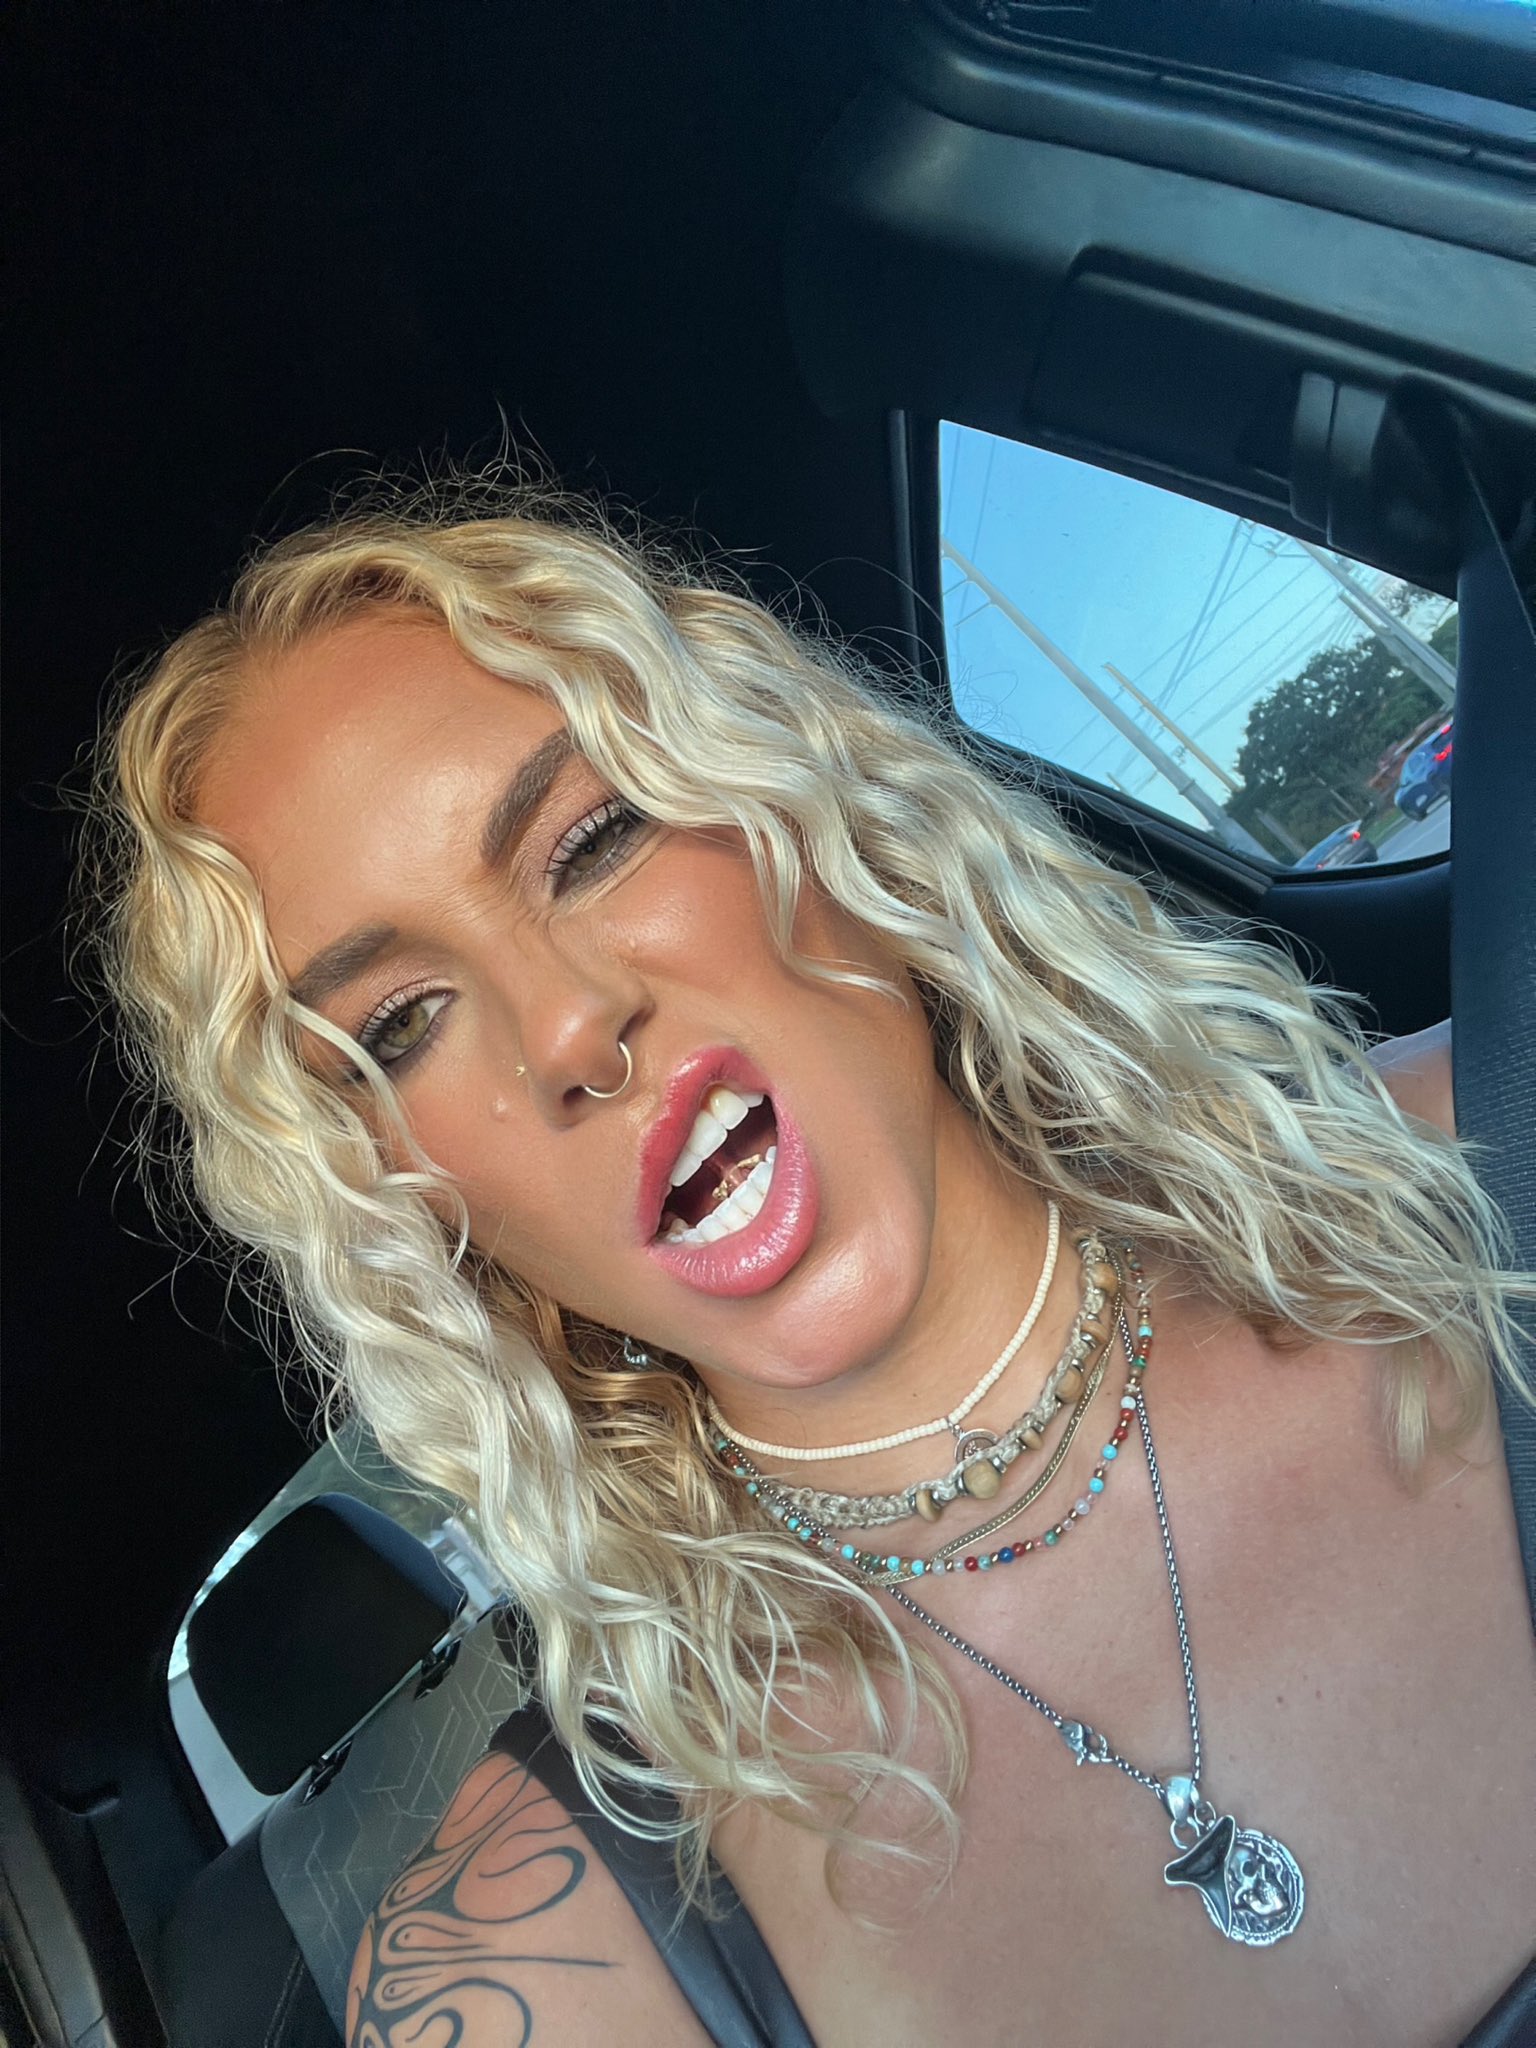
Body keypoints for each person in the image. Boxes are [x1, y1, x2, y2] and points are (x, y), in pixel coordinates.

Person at [88, 487, 1536, 2047]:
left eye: (594, 838)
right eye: (400, 1025)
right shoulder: (529, 1965)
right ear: (406, 1201)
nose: (567, 1028)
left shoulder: (1488, 1162)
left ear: (803, 796)